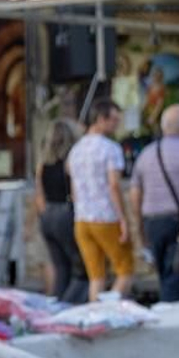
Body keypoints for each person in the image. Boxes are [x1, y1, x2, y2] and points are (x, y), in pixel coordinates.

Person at [128, 104, 179, 302]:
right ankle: (175, 323)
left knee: (164, 275)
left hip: (151, 222)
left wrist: (139, 228)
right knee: (177, 277)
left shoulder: (146, 153)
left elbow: (135, 194)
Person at [67, 99, 133, 301]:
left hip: (82, 218)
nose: (117, 125)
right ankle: (110, 310)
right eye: (114, 120)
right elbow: (114, 185)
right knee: (125, 270)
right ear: (101, 119)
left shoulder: (75, 150)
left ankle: (95, 314)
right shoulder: (110, 148)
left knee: (96, 277)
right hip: (105, 216)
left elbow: (73, 186)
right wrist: (123, 218)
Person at [32, 118, 88, 303]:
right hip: (66, 212)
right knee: (81, 269)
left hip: (48, 214)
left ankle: (57, 305)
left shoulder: (42, 164)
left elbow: (39, 194)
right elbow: (75, 192)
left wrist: (44, 214)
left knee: (60, 267)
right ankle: (70, 304)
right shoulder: (71, 161)